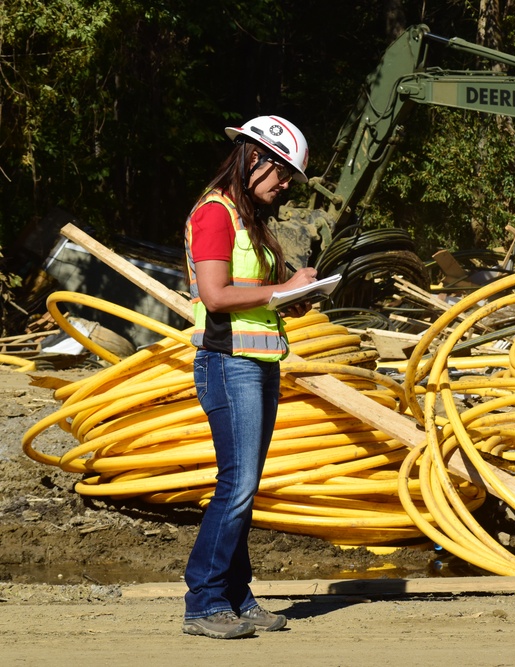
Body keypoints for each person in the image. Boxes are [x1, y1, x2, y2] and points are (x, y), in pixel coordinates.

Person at [181, 115, 316, 639]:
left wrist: (294, 295)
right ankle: (204, 601)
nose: (283, 186)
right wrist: (282, 290)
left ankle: (236, 595)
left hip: (257, 362)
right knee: (235, 486)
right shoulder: (215, 214)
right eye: (281, 174)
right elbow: (216, 296)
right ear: (253, 157)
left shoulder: (248, 220)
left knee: (246, 486)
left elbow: (252, 294)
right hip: (227, 362)